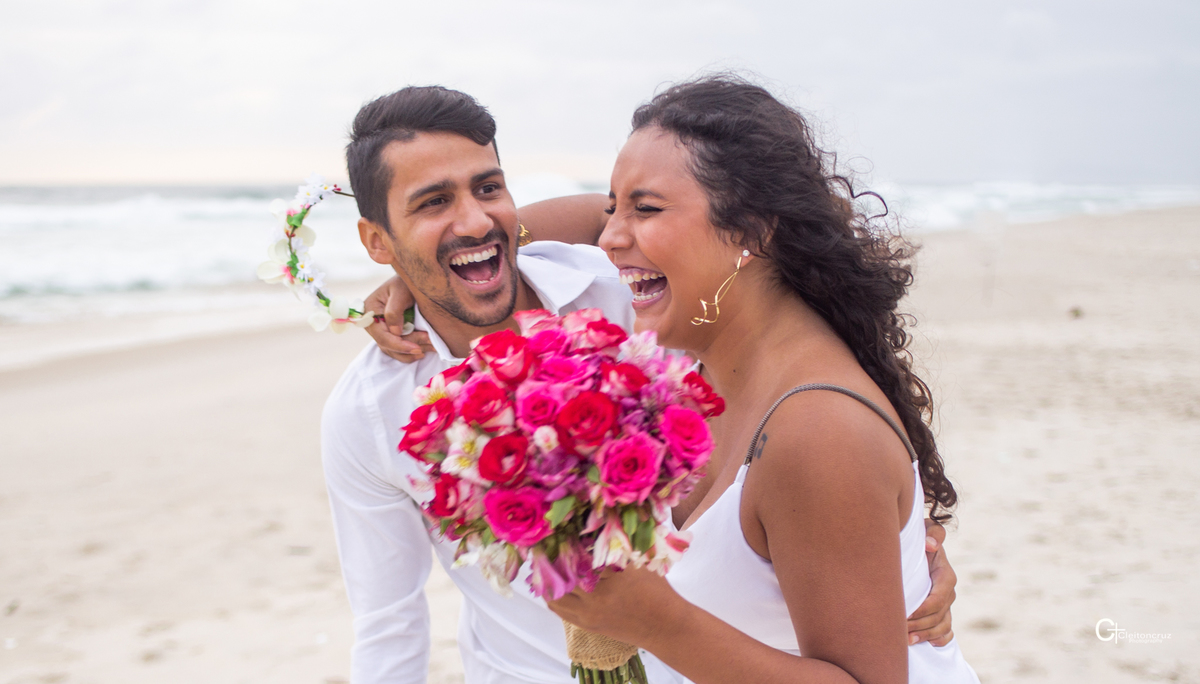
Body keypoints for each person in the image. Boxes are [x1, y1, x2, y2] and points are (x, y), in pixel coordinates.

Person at [323, 84, 958, 684]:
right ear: (377, 240)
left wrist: (895, 545)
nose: (609, 240)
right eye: (432, 202)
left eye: (489, 188)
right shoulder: (695, 346)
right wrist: (417, 265)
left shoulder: (629, 306)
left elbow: (824, 460)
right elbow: (388, 624)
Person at [539, 76, 979, 683]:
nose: (610, 238)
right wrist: (408, 274)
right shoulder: (700, 374)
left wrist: (657, 623)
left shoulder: (817, 430)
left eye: (645, 209)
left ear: (752, 229)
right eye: (614, 208)